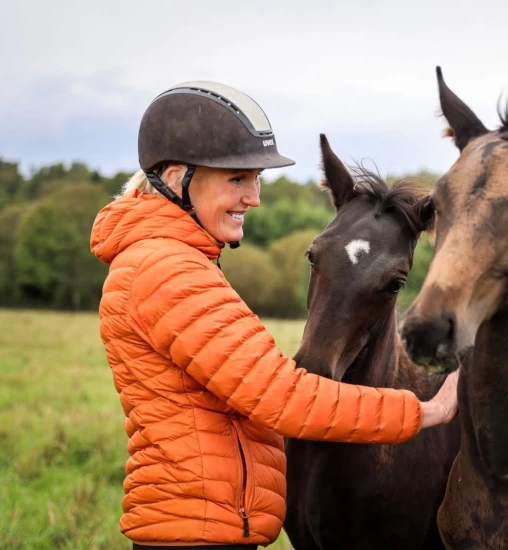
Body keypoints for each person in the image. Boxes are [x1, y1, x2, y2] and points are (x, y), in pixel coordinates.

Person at [90, 81, 459, 550]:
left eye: (256, 179)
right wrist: (428, 410)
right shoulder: (168, 272)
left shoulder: (174, 263)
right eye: (236, 179)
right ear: (178, 178)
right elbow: (282, 397)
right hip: (196, 530)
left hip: (201, 521)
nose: (254, 197)